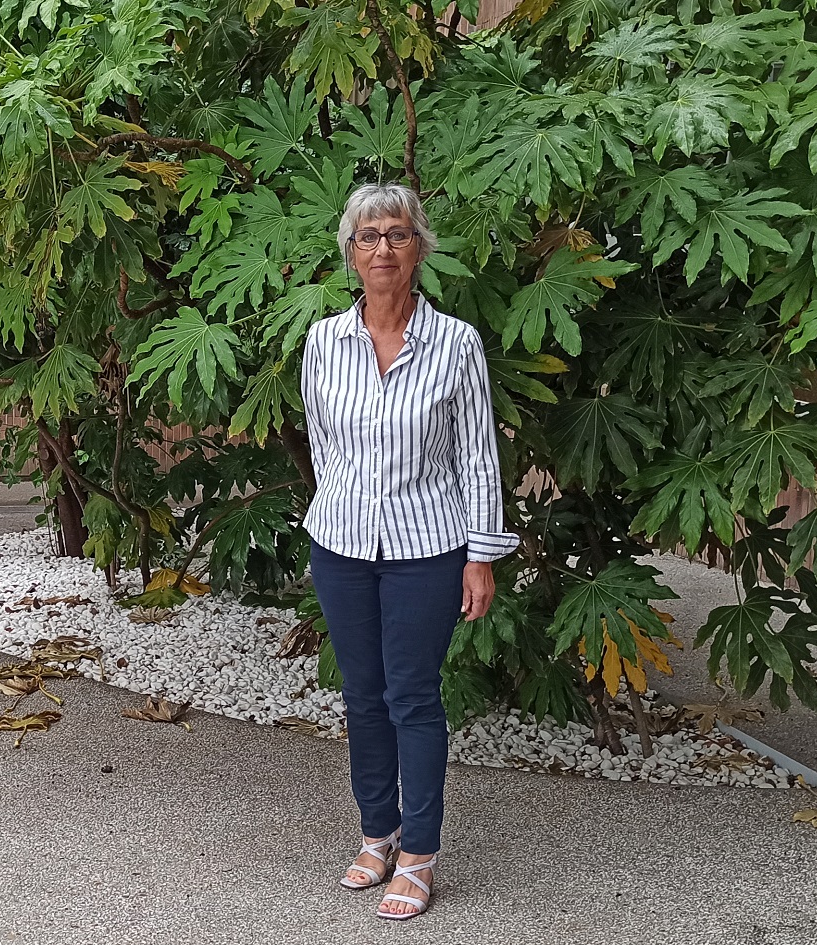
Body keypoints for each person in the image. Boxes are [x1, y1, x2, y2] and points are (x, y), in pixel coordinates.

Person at [299, 182, 520, 920]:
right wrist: (343, 507)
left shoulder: (456, 343)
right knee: (362, 696)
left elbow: (477, 458)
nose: (383, 248)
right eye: (368, 236)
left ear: (418, 248)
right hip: (341, 545)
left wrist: (480, 555)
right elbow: (322, 443)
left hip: (427, 546)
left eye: (397, 233)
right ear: (350, 252)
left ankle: (420, 852)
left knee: (413, 696)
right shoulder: (324, 342)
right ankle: (378, 833)